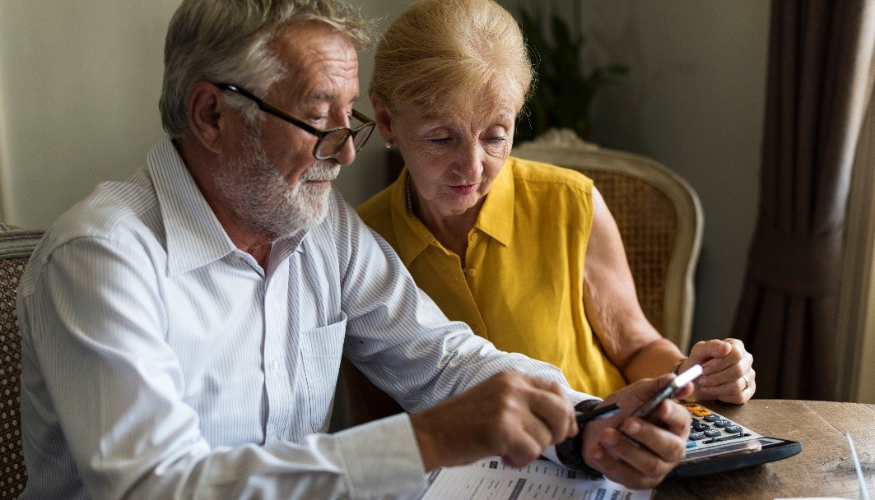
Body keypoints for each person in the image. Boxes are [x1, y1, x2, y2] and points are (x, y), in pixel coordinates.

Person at [17, 0, 694, 498]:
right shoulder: (102, 258)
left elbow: (440, 356)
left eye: (351, 122)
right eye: (317, 121)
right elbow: (151, 489)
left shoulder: (320, 226)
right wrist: (429, 438)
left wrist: (586, 419)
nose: (343, 153)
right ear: (211, 115)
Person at [344, 0, 756, 425]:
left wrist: (693, 376)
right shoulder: (360, 244)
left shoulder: (570, 203)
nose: (472, 167)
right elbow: (379, 421)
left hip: (602, 454)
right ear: (387, 120)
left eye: (495, 136)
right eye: (441, 139)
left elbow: (636, 348)